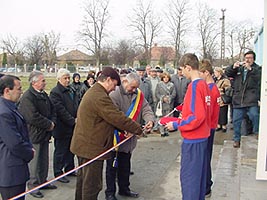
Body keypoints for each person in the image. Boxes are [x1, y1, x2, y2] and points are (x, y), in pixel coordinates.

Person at [70, 67, 144, 200]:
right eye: (114, 85)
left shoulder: (96, 92)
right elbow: (116, 117)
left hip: (84, 146)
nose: (114, 89)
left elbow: (105, 119)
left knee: (83, 183)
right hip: (91, 148)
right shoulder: (99, 96)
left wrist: (123, 130)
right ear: (108, 80)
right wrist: (138, 129)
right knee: (91, 186)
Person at [164, 53, 210, 200]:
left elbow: (197, 116)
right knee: (199, 181)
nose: (181, 72)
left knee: (190, 181)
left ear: (188, 68)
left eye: (182, 69)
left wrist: (176, 123)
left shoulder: (194, 86)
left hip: (193, 141)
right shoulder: (204, 84)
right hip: (202, 138)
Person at [105, 72, 154, 200]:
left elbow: (146, 108)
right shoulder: (114, 94)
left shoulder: (138, 94)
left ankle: (124, 188)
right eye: (132, 87)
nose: (134, 90)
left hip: (129, 138)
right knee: (112, 167)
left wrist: (149, 120)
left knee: (125, 165)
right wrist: (127, 128)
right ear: (125, 82)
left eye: (136, 88)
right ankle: (110, 193)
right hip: (116, 138)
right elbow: (115, 117)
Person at [18, 71, 57, 198]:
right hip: (33, 134)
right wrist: (48, 124)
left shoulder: (44, 95)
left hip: (45, 134)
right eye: (43, 80)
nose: (45, 82)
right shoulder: (28, 97)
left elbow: (52, 110)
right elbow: (32, 116)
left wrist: (53, 122)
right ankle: (33, 185)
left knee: (44, 160)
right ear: (34, 82)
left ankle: (42, 181)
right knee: (34, 162)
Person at [0, 75, 34, 200]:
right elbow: (15, 143)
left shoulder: (11, 107)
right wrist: (30, 152)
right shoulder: (4, 113)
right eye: (18, 89)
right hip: (10, 173)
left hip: (17, 169)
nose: (21, 92)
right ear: (7, 91)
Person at [225, 50, 261, 148]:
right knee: (236, 121)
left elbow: (259, 77)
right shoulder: (239, 68)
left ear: (253, 59)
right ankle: (236, 139)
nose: (247, 60)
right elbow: (227, 73)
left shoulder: (257, 69)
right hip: (239, 99)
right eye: (246, 58)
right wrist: (233, 67)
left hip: (251, 99)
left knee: (255, 115)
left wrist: (250, 69)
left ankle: (257, 132)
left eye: (250, 58)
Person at [50, 68, 79, 183]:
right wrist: (73, 120)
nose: (67, 80)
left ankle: (69, 169)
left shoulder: (71, 90)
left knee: (71, 149)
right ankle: (58, 172)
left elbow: (76, 104)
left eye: (68, 78)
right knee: (60, 151)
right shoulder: (55, 92)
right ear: (59, 79)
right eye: (65, 78)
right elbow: (60, 110)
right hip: (62, 127)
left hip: (72, 126)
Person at [199, 59, 220, 198]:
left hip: (208, 128)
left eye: (200, 73)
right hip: (211, 126)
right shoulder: (213, 88)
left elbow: (208, 112)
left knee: (205, 157)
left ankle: (206, 185)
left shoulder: (211, 89)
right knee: (206, 156)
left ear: (206, 73)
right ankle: (206, 183)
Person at [155, 72, 176, 137]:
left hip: (169, 104)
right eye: (164, 77)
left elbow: (174, 94)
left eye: (167, 77)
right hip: (162, 104)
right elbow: (156, 93)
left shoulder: (172, 85)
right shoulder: (159, 84)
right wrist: (162, 98)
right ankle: (162, 131)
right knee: (161, 118)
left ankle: (166, 130)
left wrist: (169, 98)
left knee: (168, 118)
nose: (166, 79)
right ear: (162, 78)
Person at [214, 67, 231, 132]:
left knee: (223, 112)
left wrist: (221, 90)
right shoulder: (215, 80)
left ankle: (224, 125)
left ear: (219, 72)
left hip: (222, 98)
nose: (215, 74)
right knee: (217, 112)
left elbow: (228, 89)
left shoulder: (225, 80)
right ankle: (218, 125)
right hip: (217, 99)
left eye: (215, 72)